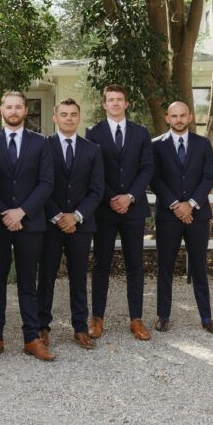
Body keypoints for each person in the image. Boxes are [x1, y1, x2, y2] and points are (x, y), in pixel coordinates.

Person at [0, 90, 55, 361]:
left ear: (25, 111)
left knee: (28, 282)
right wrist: (5, 213)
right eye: (8, 107)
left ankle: (32, 338)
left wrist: (21, 212)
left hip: (30, 223)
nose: (13, 111)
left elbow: (46, 182)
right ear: (1, 110)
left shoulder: (41, 143)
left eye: (18, 107)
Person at [84, 84, 154, 341]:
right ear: (104, 104)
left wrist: (129, 196)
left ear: (126, 103)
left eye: (119, 99)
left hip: (133, 209)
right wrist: (112, 197)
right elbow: (92, 170)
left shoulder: (141, 132)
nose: (115, 103)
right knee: (101, 264)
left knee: (135, 264)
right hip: (104, 208)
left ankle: (136, 319)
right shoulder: (93, 133)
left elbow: (147, 168)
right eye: (110, 100)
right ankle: (97, 318)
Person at [38, 98, 104, 351]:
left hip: (81, 225)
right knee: (46, 277)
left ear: (79, 117)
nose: (68, 118)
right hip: (50, 224)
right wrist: (58, 216)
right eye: (63, 114)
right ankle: (42, 326)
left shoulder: (92, 149)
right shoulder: (43, 147)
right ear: (55, 117)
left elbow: (97, 189)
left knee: (79, 277)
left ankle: (79, 327)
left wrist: (76, 216)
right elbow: (41, 184)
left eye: (73, 114)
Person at [150, 101, 213, 334]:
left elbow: (208, 177)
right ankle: (163, 316)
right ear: (167, 118)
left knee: (199, 266)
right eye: (174, 116)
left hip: (197, 216)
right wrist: (175, 206)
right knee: (165, 267)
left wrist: (190, 205)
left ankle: (206, 317)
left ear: (190, 117)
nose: (178, 119)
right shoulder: (156, 146)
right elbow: (155, 179)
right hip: (168, 217)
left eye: (182, 115)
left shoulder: (203, 144)